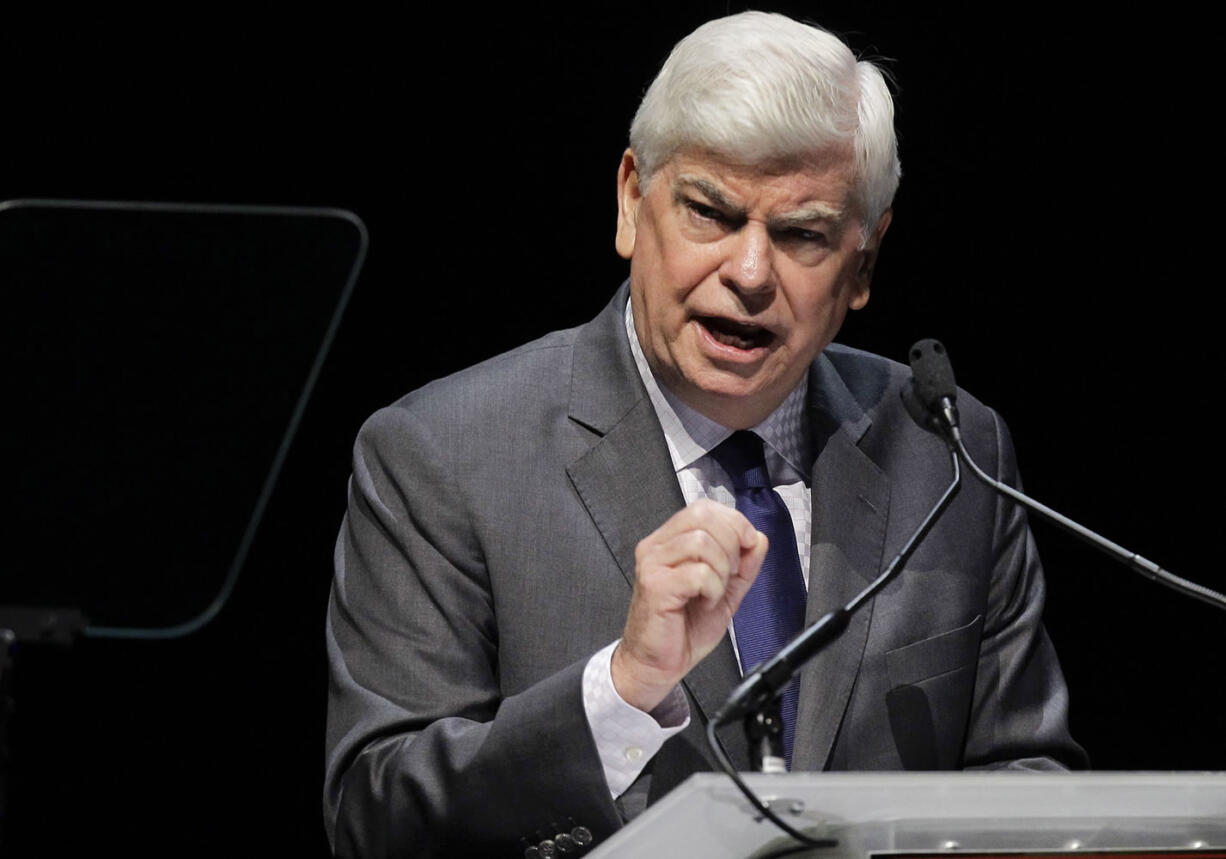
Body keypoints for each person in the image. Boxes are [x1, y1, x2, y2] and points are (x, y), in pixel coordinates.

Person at [324, 12, 1084, 857]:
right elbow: (376, 816)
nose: (750, 273)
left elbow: (1025, 776)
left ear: (863, 263)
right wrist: (620, 692)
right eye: (710, 214)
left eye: (801, 234)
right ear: (630, 200)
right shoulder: (443, 454)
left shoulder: (948, 452)